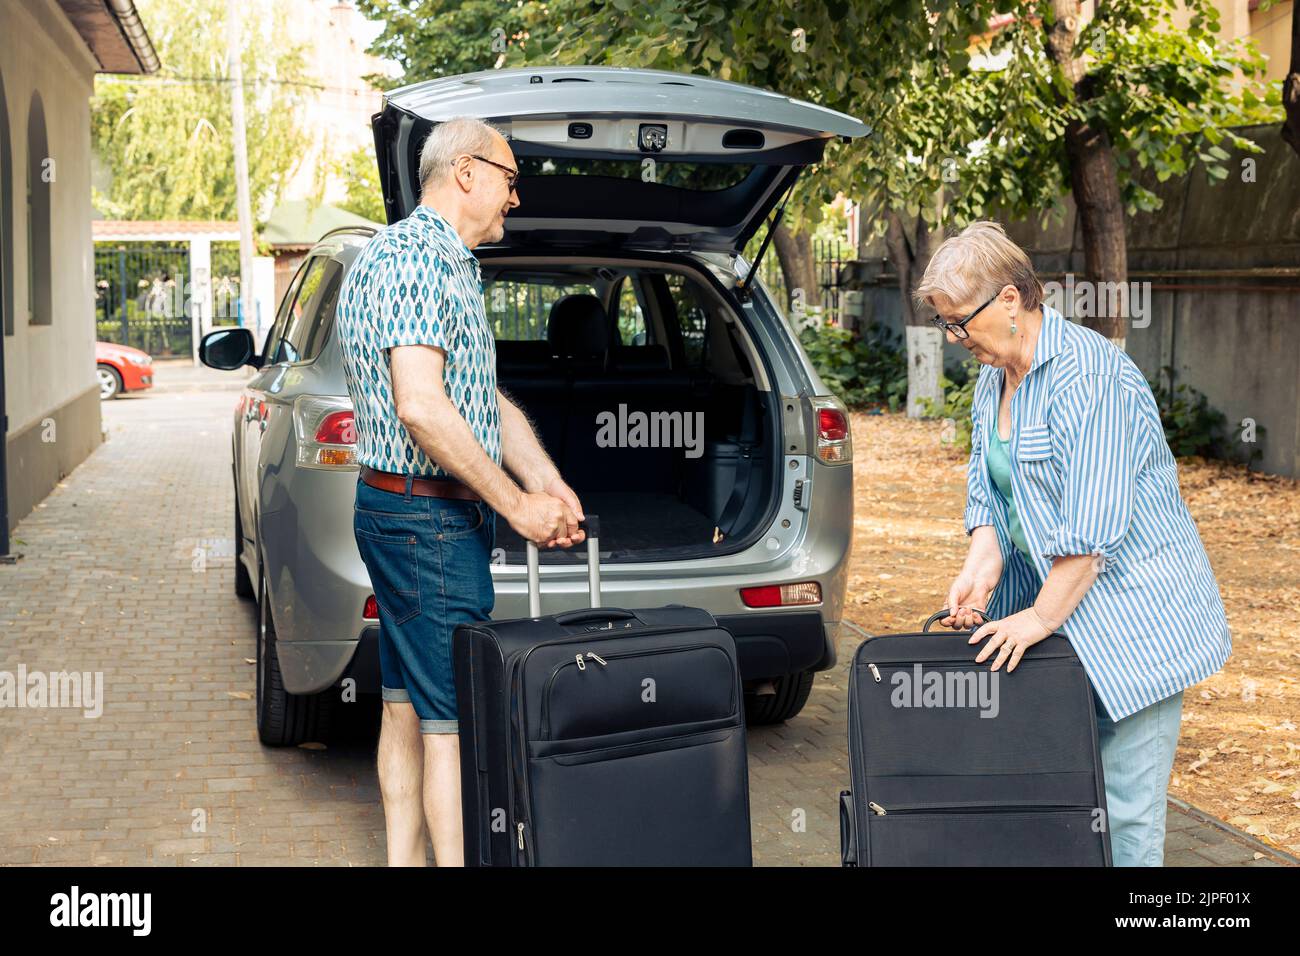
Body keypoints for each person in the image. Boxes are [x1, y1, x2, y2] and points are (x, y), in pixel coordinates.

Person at [915, 221, 1231, 866]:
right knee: (1054, 796)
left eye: (958, 322)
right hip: (1052, 620)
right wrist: (981, 566)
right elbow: (991, 493)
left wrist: (1035, 617)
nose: (953, 339)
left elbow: (1090, 535)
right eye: (945, 325)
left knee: (1124, 812)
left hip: (1132, 627)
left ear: (1009, 299)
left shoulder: (1091, 377)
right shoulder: (991, 378)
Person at [335, 116, 586, 866]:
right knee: (453, 727)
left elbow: (476, 395)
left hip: (402, 514)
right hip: (428, 522)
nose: (516, 199)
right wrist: (515, 508)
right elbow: (421, 404)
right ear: (468, 171)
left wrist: (544, 478)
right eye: (511, 181)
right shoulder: (418, 262)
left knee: (405, 709)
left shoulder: (433, 259)